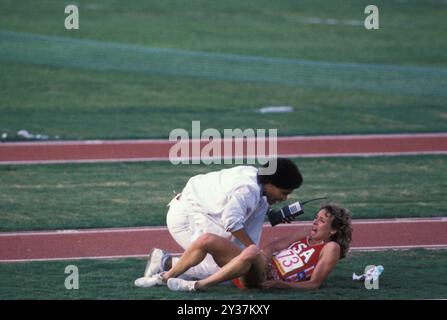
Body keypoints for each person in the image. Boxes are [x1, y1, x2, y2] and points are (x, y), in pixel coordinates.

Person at [144, 158, 303, 280]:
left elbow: (246, 205)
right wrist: (254, 252)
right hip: (187, 218)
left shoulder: (255, 178)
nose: (285, 198)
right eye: (283, 192)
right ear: (270, 184)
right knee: (226, 270)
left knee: (238, 262)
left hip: (198, 211)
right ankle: (163, 262)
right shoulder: (247, 189)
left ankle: (181, 270)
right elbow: (232, 222)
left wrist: (273, 214)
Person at [136, 203, 352, 291]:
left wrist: (279, 283)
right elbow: (274, 245)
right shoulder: (305, 234)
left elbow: (314, 284)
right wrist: (264, 260)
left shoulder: (330, 247)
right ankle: (163, 277)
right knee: (207, 239)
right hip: (259, 268)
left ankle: (198, 285)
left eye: (322, 221)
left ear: (333, 230)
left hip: (264, 279)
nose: (315, 222)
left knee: (251, 250)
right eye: (316, 218)